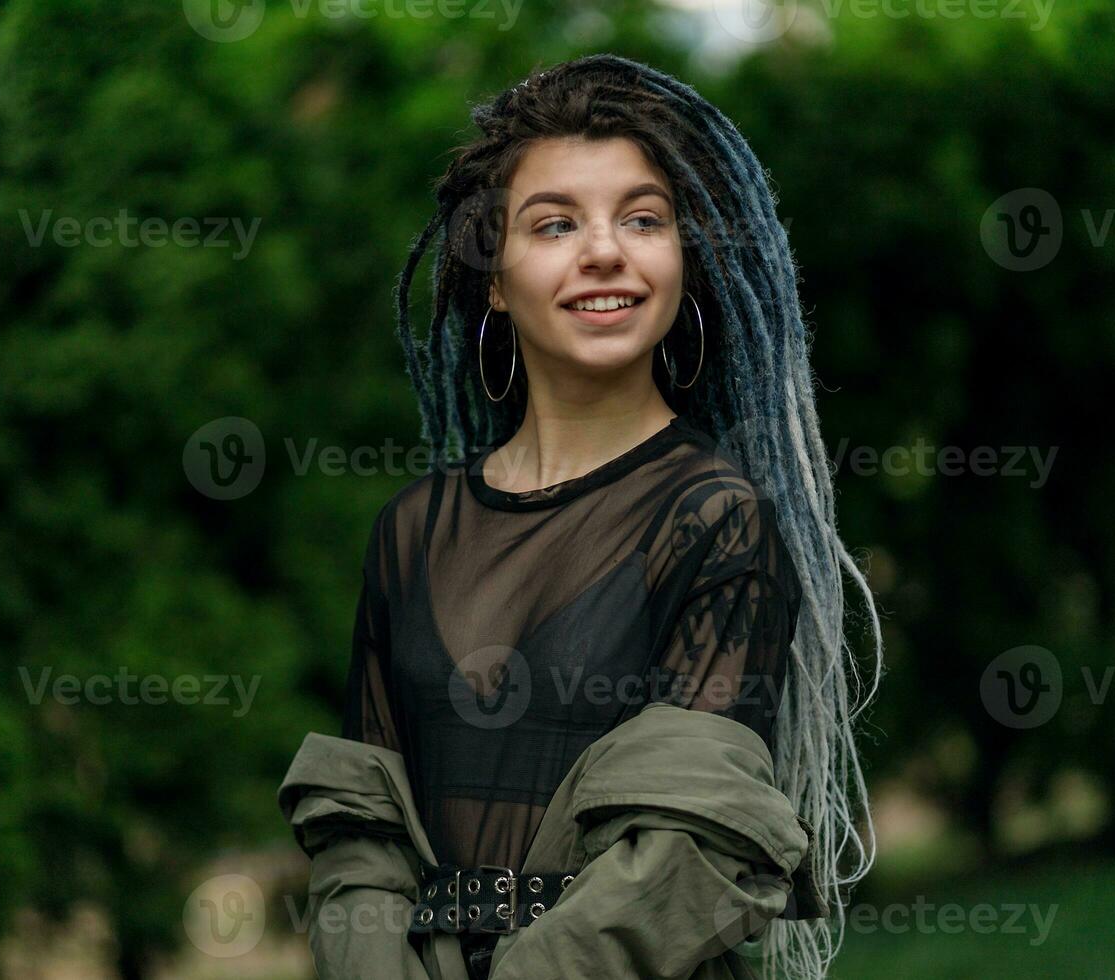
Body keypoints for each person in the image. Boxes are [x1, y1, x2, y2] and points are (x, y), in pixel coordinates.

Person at [302, 53, 881, 980]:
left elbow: (688, 858)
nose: (604, 249)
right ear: (492, 277)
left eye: (643, 218)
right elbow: (361, 836)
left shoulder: (716, 521)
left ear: (683, 265)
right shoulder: (411, 532)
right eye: (556, 222)